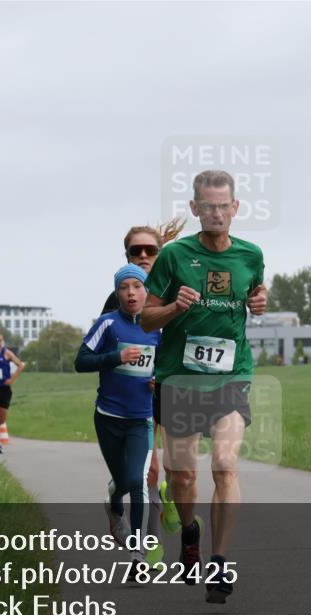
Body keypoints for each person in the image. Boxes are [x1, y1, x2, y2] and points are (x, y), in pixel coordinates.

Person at [142, 170, 267, 603]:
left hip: (232, 377)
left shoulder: (251, 254)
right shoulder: (174, 257)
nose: (216, 213)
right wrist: (175, 306)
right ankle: (190, 530)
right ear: (195, 209)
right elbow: (146, 317)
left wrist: (259, 301)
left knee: (225, 466)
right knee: (183, 476)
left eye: (223, 206)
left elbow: (254, 294)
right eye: (207, 206)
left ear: (235, 208)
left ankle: (219, 561)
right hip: (180, 378)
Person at [100, 219, 188, 567]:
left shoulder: (176, 289)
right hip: (130, 397)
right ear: (127, 255)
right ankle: (146, 544)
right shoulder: (118, 297)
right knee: (146, 473)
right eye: (134, 250)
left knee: (170, 472)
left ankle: (161, 506)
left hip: (166, 388)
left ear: (160, 253)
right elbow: (104, 344)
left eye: (149, 250)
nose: (142, 255)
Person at [76, 264, 162, 570]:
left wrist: (158, 382)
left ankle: (137, 554)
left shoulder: (158, 327)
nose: (131, 293)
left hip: (141, 418)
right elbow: (81, 361)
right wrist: (115, 357)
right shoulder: (107, 324)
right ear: (118, 293)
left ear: (145, 292)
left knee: (137, 481)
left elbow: (166, 366)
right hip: (108, 417)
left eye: (137, 287)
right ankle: (113, 498)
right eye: (124, 287)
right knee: (123, 481)